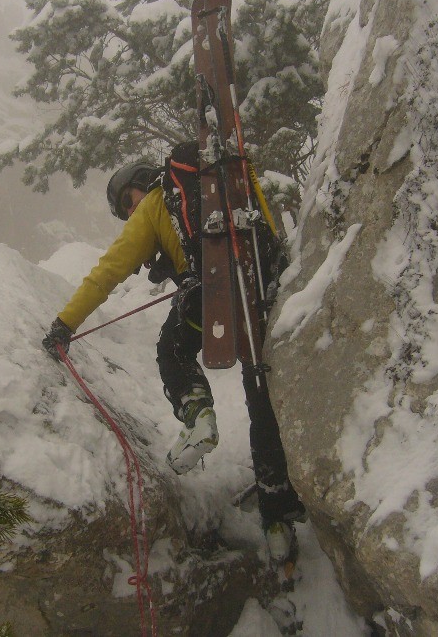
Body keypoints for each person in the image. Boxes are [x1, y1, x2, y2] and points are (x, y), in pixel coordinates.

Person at [41, 141, 306, 561]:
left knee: (172, 349)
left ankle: (198, 415)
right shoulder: (212, 182)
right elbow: (259, 212)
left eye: (127, 202)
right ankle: (277, 518)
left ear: (140, 185)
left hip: (213, 296)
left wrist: (65, 323)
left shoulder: (152, 206)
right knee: (258, 394)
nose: (130, 212)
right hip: (261, 282)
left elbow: (107, 272)